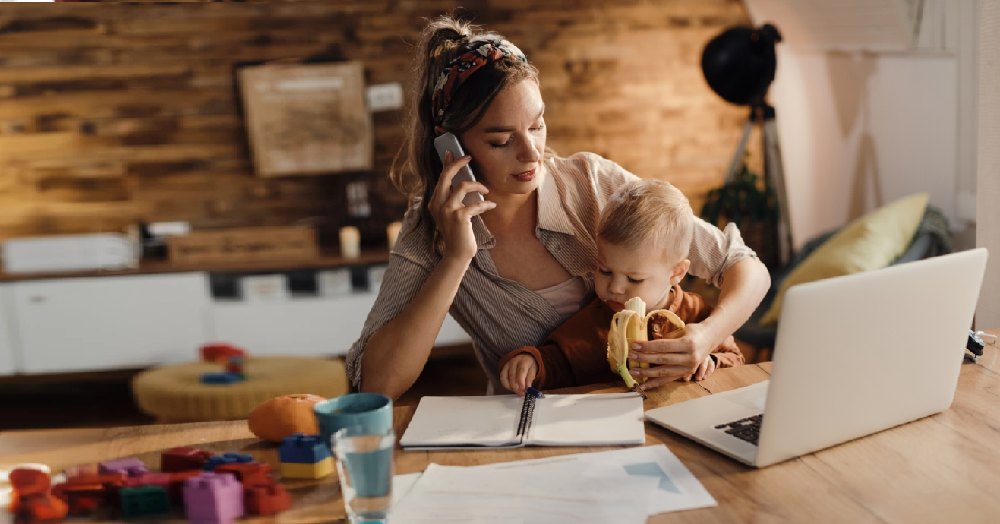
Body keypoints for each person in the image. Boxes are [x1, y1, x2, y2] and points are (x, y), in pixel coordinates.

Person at [345, 16, 770, 400]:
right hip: (531, 435)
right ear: (450, 144)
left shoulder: (592, 182)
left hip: (649, 415)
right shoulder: (428, 233)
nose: (531, 154)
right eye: (501, 140)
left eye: (536, 125)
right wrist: (456, 257)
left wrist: (706, 336)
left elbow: (742, 264)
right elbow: (375, 385)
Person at [498, 179, 744, 395]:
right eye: (605, 271)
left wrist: (711, 361)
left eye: (634, 279)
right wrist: (531, 362)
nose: (614, 288)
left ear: (676, 273)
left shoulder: (698, 315)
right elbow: (557, 362)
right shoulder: (595, 322)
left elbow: (736, 359)